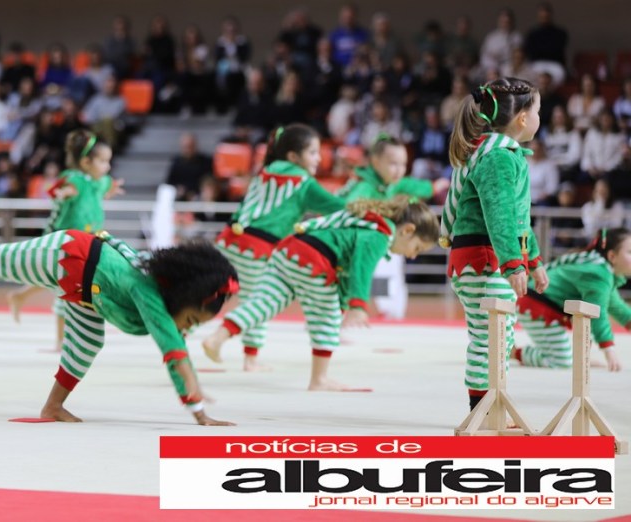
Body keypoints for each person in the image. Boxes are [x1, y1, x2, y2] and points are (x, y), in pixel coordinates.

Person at [0, 230, 238, 425]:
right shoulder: (148, 292)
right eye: (191, 320)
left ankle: (52, 407)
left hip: (87, 293)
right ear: (184, 298)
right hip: (65, 254)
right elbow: (173, 351)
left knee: (87, 343)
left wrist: (197, 406)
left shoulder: (166, 302)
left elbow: (176, 345)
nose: (186, 328)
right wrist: (195, 399)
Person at [203, 197, 438, 390]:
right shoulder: (379, 234)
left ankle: (217, 338)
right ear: (407, 230)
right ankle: (319, 379)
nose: (413, 256)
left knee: (264, 303)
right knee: (327, 319)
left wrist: (345, 302)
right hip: (315, 260)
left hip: (290, 250)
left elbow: (346, 271)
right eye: (417, 248)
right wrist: (357, 305)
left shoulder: (366, 221)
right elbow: (361, 267)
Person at [440, 77, 545, 412]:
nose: (539, 118)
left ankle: (487, 407)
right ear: (523, 118)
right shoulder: (499, 157)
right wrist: (513, 263)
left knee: (495, 336)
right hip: (485, 259)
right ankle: (483, 410)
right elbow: (500, 215)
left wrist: (534, 260)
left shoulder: (486, 152)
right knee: (491, 337)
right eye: (538, 111)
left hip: (479, 257)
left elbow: (517, 219)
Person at [214, 124, 346, 370]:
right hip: (257, 248)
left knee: (212, 291)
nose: (319, 158)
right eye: (313, 153)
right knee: (258, 301)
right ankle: (249, 357)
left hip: (229, 238)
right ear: (294, 156)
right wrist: (363, 200)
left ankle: (180, 331)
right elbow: (339, 207)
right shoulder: (303, 183)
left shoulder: (265, 171)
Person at [6, 130, 124, 350]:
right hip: (68, 243)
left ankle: (20, 296)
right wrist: (64, 193)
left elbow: (104, 187)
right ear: (86, 162)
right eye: (102, 161)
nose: (107, 167)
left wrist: (111, 189)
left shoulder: (98, 180)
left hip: (89, 241)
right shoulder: (75, 179)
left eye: (108, 161)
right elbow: (69, 189)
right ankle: (60, 341)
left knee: (58, 281)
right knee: (64, 289)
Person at [338, 136, 449, 319]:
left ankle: (393, 312)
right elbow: (348, 207)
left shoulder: (390, 184)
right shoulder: (364, 186)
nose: (399, 170)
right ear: (375, 162)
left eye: (403, 164)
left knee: (393, 271)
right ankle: (384, 311)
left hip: (381, 239)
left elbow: (410, 185)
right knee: (381, 271)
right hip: (361, 240)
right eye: (393, 164)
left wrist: (433, 187)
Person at [513, 228, 631, 372]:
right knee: (561, 361)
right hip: (536, 306)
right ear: (612, 256)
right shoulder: (599, 273)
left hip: (541, 303)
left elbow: (617, 307)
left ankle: (569, 358)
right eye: (630, 252)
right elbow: (598, 314)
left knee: (565, 357)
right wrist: (608, 349)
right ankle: (514, 352)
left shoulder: (600, 270)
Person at [165, 133, 213, 201]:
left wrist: (198, 192)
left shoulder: (205, 162)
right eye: (185, 147)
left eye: (190, 146)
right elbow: (169, 183)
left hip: (201, 198)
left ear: (195, 146)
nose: (188, 150)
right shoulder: (176, 163)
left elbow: (210, 181)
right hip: (180, 199)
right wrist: (177, 189)